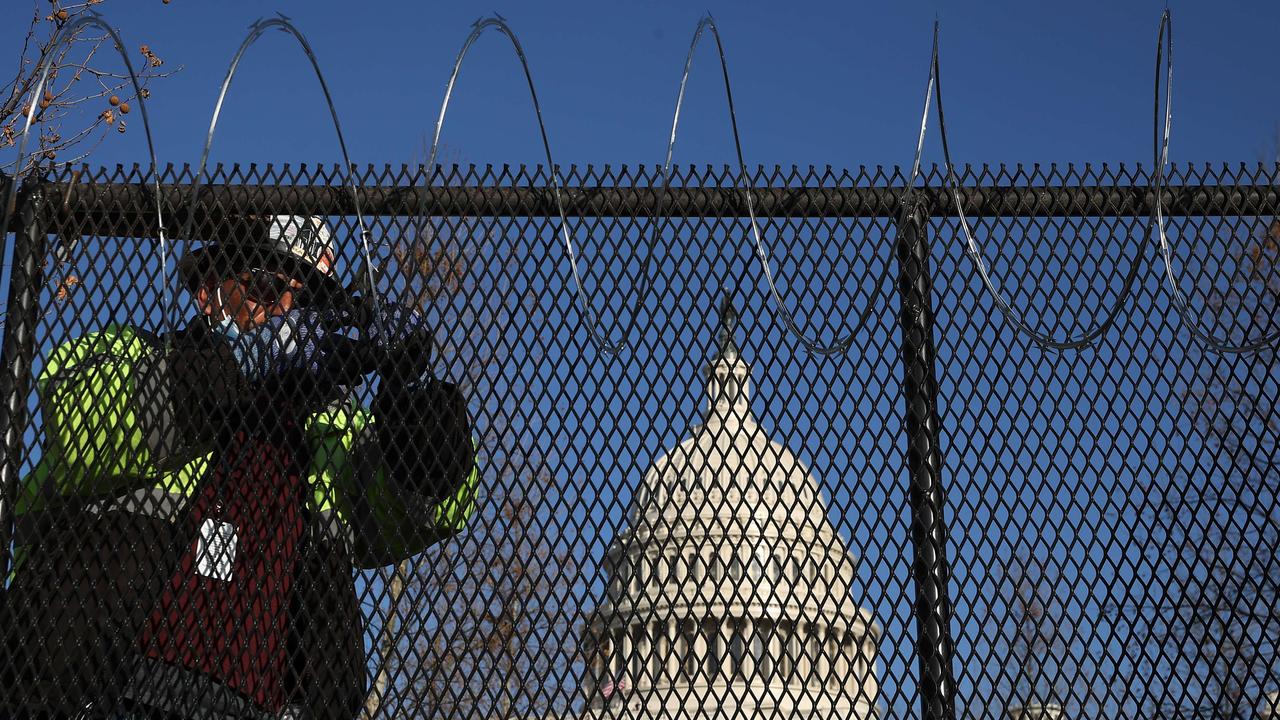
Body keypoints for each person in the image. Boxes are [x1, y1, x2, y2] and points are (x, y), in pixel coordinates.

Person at [0, 215, 479, 719]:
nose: (291, 313)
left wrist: (417, 422)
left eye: (310, 300)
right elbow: (82, 427)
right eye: (268, 289)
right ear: (209, 292)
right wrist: (246, 358)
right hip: (97, 693)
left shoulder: (326, 437)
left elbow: (423, 510)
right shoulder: (135, 353)